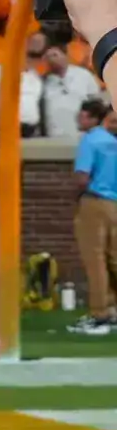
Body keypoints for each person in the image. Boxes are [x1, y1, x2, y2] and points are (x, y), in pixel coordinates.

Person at [73, 95, 117, 334]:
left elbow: (82, 177)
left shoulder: (91, 140)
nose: (79, 118)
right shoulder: (113, 141)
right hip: (115, 203)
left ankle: (100, 313)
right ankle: (113, 309)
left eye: (83, 114)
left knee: (95, 259)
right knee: (113, 259)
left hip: (94, 202)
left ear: (92, 117)